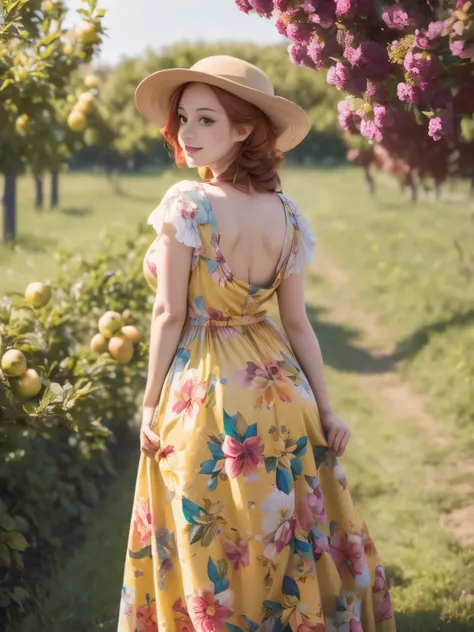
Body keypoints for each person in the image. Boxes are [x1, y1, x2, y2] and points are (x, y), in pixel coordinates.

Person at [118, 55, 396, 632]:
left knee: (213, 531)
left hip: (205, 391)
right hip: (277, 390)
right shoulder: (287, 215)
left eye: (206, 120)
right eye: (183, 119)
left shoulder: (187, 204)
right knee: (277, 529)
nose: (188, 133)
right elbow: (297, 324)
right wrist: (323, 406)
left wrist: (147, 403)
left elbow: (169, 312)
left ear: (244, 130)